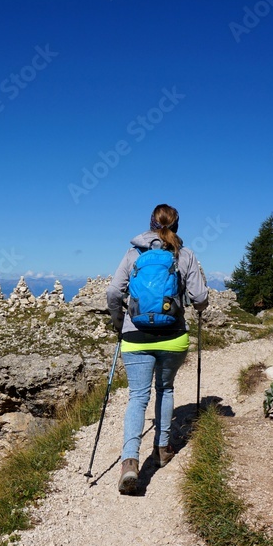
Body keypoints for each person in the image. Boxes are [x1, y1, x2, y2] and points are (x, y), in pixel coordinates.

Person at [106, 204, 209, 494]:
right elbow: (199, 295)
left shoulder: (132, 254)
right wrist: (199, 306)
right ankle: (163, 449)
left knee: (137, 397)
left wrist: (119, 322)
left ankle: (129, 462)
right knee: (165, 389)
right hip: (173, 335)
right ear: (176, 226)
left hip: (135, 336)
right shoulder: (184, 255)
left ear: (150, 224)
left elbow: (114, 292)